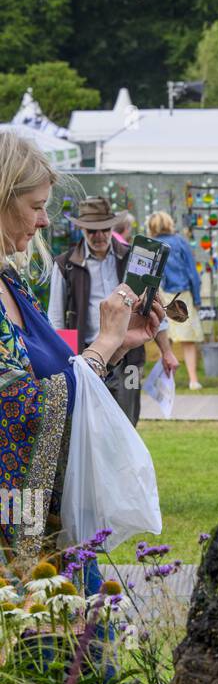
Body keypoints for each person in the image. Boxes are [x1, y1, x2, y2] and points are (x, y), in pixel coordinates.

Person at [0, 130, 163, 580]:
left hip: (52, 528)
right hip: (16, 540)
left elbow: (53, 376)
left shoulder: (11, 283)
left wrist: (117, 344)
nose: (44, 222)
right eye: (35, 207)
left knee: (85, 644)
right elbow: (19, 407)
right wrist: (103, 344)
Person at [48, 196, 176, 427]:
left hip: (130, 356)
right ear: (82, 230)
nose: (98, 236)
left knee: (127, 421)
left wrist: (166, 352)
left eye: (104, 229)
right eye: (91, 231)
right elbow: (56, 319)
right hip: (87, 355)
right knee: (89, 425)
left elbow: (155, 307)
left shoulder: (133, 259)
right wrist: (60, 364)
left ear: (111, 227)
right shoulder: (65, 264)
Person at [146, 211, 204, 390]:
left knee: (164, 339)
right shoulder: (180, 242)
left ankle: (166, 380)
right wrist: (197, 298)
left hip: (161, 294)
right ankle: (193, 380)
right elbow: (192, 273)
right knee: (188, 339)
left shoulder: (152, 245)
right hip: (182, 295)